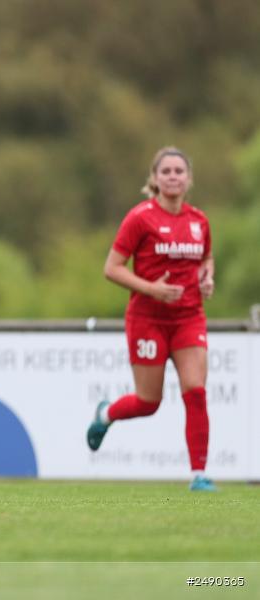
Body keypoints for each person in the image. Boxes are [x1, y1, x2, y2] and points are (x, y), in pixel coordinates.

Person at [87, 146, 216, 492]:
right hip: (148, 319)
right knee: (149, 402)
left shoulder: (198, 221)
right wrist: (151, 289)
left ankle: (199, 475)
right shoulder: (140, 218)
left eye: (179, 171)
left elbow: (205, 259)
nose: (173, 177)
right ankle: (106, 414)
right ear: (155, 179)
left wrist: (207, 277)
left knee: (196, 391)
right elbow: (111, 269)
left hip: (189, 317)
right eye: (166, 172)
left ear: (189, 179)